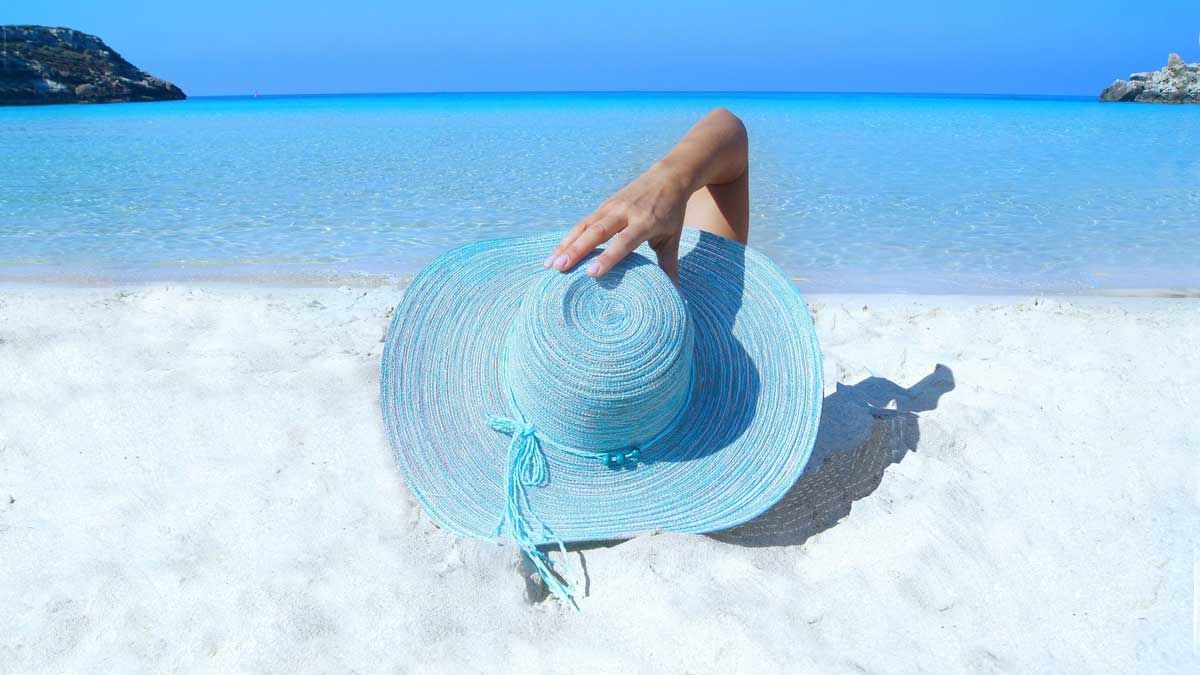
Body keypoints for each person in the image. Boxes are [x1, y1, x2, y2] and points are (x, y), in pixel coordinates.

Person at [543, 108, 749, 283]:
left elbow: (727, 126)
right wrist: (669, 181)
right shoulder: (708, 291)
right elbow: (729, 128)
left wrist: (666, 181)